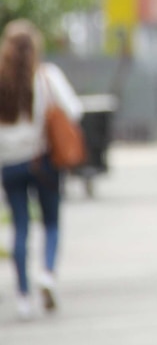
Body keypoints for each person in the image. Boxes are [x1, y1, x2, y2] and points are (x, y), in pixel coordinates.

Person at [0, 19, 83, 320]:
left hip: (9, 165)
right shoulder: (47, 77)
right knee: (51, 222)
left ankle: (22, 296)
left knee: (19, 226)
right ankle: (47, 273)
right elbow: (74, 111)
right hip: (43, 161)